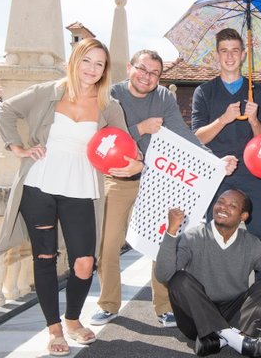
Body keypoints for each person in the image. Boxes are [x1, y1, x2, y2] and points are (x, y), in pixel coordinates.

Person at [0, 38, 143, 356]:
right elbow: (6, 110)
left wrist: (134, 165)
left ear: (105, 71)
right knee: (45, 258)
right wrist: (16, 147)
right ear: (74, 61)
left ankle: (73, 320)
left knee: (85, 262)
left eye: (99, 64)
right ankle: (54, 329)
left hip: (82, 188)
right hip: (39, 186)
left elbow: (131, 149)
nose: (92, 69)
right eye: (86, 61)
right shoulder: (48, 92)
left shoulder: (109, 106)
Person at [90, 49, 237, 328]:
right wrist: (141, 129)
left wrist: (214, 161)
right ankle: (108, 304)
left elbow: (182, 134)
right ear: (129, 68)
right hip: (119, 179)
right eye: (142, 69)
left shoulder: (164, 97)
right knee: (108, 244)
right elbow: (102, 137)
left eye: (155, 73)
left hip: (156, 179)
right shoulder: (110, 95)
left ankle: (164, 306)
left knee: (160, 245)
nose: (147, 77)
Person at [155, 189, 261, 357]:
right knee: (178, 279)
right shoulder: (193, 237)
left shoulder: (251, 244)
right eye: (220, 202)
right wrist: (171, 231)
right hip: (195, 316)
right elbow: (164, 275)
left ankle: (218, 339)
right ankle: (236, 339)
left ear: (243, 216)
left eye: (232, 205)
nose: (223, 207)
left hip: (234, 313)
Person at [191, 28, 261, 248]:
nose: (229, 56)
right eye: (224, 51)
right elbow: (198, 137)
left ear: (244, 54)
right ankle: (215, 283)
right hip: (216, 173)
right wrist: (223, 119)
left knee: (260, 239)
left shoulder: (258, 91)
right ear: (217, 55)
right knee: (215, 239)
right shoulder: (204, 92)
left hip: (250, 174)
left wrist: (254, 121)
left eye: (235, 50)